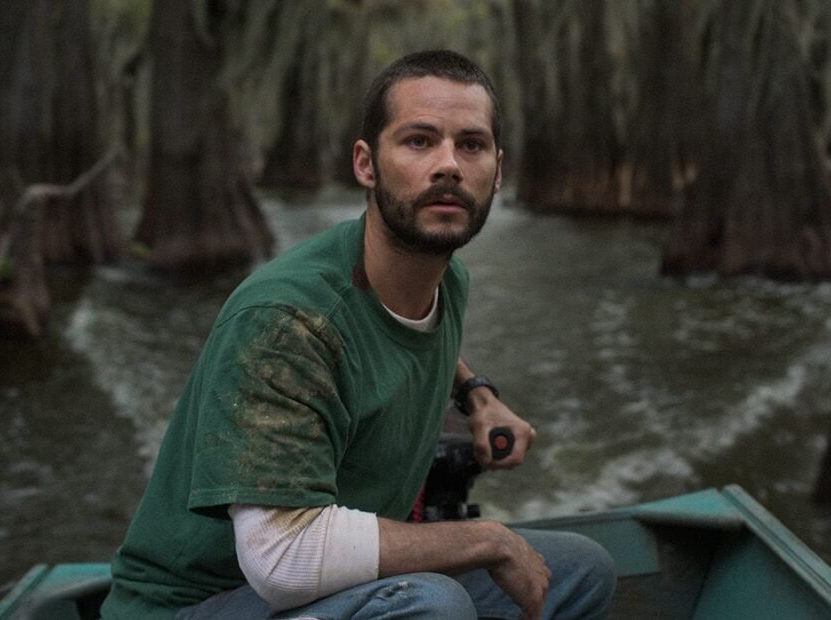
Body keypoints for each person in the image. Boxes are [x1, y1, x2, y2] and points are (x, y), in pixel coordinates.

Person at [101, 49, 616, 620]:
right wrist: (485, 539)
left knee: (581, 569)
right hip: (197, 604)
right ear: (366, 164)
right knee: (430, 604)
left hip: (323, 591)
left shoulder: (447, 281)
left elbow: (404, 336)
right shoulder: (285, 321)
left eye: (470, 145)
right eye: (419, 141)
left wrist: (478, 396)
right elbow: (283, 560)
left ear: (498, 170)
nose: (448, 164)